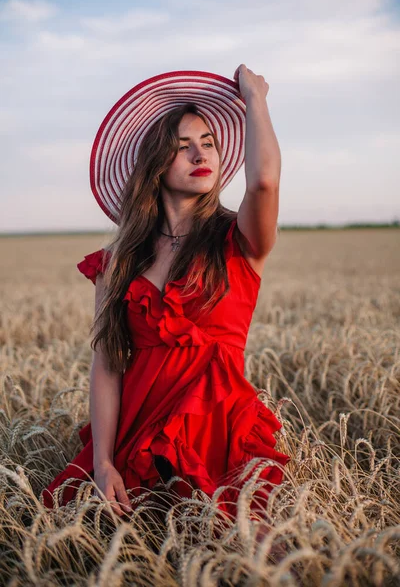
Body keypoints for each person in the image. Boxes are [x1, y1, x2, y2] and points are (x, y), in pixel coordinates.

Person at [41, 65, 291, 524]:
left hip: (216, 429)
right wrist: (103, 461)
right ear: (156, 164)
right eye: (182, 147)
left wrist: (256, 99)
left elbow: (264, 183)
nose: (201, 154)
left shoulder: (239, 240)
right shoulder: (118, 261)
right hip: (132, 437)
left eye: (209, 143)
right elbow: (108, 363)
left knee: (235, 544)